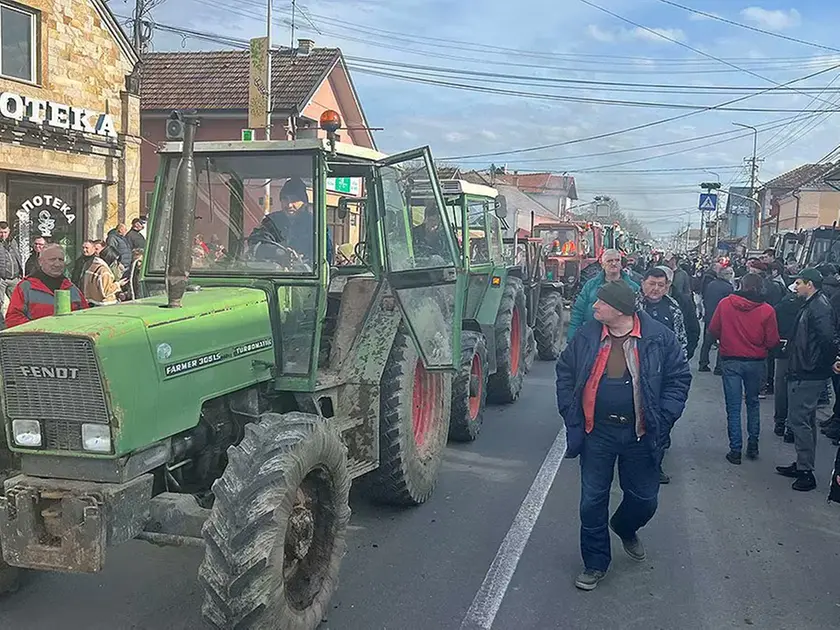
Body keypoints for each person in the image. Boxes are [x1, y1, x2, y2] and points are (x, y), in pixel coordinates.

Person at [557, 281, 691, 591]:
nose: (595, 307)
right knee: (592, 501)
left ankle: (625, 525)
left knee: (644, 499)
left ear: (618, 309)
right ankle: (594, 563)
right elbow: (565, 371)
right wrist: (569, 409)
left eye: (601, 303)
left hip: (640, 434)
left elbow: (679, 378)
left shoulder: (659, 337)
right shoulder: (589, 334)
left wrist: (666, 415)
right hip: (597, 432)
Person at [776, 268, 837, 492]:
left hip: (808, 372)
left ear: (810, 284)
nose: (796, 287)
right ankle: (803, 464)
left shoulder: (819, 306)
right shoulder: (813, 304)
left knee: (799, 420)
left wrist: (827, 362)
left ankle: (806, 473)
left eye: (799, 283)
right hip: (806, 369)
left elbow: (828, 339)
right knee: (806, 420)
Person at [709, 273, 780, 464]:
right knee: (753, 402)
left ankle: (735, 450)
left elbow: (714, 328)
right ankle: (753, 444)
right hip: (756, 361)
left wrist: (724, 339)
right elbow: (772, 340)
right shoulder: (767, 310)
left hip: (731, 359)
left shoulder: (725, 304)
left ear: (741, 284)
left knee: (733, 407)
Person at [637, 266, 688, 485]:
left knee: (661, 420)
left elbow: (681, 341)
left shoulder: (674, 309)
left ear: (667, 287)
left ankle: (654, 465)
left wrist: (678, 369)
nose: (656, 289)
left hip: (663, 375)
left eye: (661, 285)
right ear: (643, 284)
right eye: (652, 284)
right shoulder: (633, 307)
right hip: (636, 371)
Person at [247, 177, 332, 266]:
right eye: (285, 199)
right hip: (273, 273)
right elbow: (255, 243)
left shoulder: (316, 225)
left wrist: (301, 260)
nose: (289, 205)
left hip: (306, 276)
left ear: (305, 202)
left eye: (294, 200)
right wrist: (278, 252)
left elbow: (325, 258)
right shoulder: (271, 221)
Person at [5, 244, 88, 327]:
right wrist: (40, 329)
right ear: (40, 261)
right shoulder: (26, 287)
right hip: (36, 338)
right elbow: (13, 318)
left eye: (61, 260)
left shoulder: (72, 289)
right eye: (52, 259)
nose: (57, 264)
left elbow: (86, 317)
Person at [568, 249, 640, 340]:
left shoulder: (632, 288)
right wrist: (572, 338)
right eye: (609, 261)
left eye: (617, 260)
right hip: (592, 336)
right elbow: (578, 312)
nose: (614, 263)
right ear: (602, 265)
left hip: (622, 338)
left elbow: (638, 316)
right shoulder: (590, 286)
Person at [773, 289, 804, 441]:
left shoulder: (781, 306)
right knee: (797, 390)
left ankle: (779, 421)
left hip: (783, 350)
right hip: (801, 354)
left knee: (781, 387)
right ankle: (792, 427)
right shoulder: (808, 307)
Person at [699, 267, 735, 373]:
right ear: (726, 275)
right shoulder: (728, 287)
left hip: (710, 316)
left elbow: (705, 298)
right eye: (730, 273)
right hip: (722, 318)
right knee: (722, 342)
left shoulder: (711, 284)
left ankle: (703, 363)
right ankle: (719, 367)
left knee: (707, 342)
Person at [0, 220, 22, 316]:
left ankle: (16, 324)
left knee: (18, 303)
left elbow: (17, 257)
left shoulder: (13, 242)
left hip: (14, 278)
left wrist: (20, 273)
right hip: (1, 279)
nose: (3, 235)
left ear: (9, 231)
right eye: (1, 232)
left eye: (5, 232)